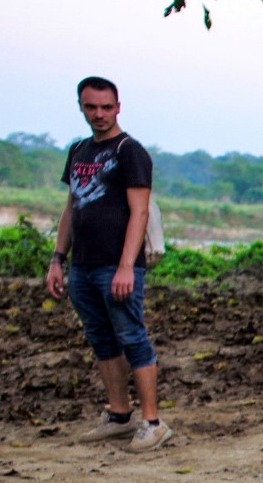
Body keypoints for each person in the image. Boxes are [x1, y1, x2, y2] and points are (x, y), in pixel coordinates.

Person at [46, 76, 171, 452]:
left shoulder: (129, 151)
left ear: (118, 107)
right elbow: (72, 206)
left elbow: (139, 211)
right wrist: (57, 259)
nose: (99, 114)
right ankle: (119, 414)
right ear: (81, 107)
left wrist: (125, 266)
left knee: (131, 335)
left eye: (106, 107)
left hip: (117, 265)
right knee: (100, 338)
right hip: (82, 265)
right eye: (91, 107)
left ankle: (152, 421)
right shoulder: (79, 151)